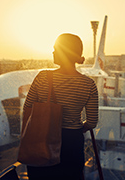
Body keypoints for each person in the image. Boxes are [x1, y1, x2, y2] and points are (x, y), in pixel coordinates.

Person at [23, 33, 99, 179]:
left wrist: (27, 137)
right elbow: (92, 122)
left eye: (55, 49)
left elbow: (27, 109)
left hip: (42, 141)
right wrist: (78, 128)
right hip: (72, 143)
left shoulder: (42, 77)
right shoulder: (88, 84)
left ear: (63, 52)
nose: (53, 52)